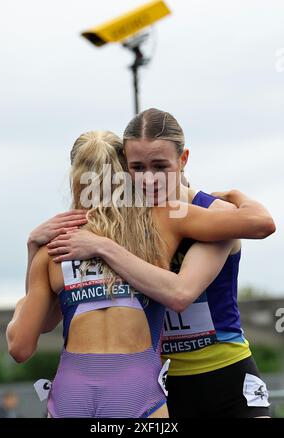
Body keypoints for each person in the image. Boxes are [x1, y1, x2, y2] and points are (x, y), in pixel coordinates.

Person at [48, 109, 275, 418]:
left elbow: (181, 294)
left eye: (160, 167)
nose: (149, 179)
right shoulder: (127, 222)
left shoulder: (208, 211)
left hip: (224, 376)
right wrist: (35, 244)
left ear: (182, 160)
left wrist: (239, 196)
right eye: (137, 168)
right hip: (161, 385)